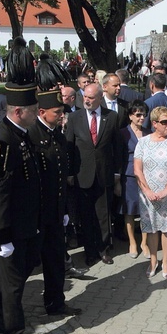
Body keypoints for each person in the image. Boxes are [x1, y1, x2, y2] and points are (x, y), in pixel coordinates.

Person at [0, 65, 44, 334]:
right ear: (19, 111)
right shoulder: (3, 140)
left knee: (11, 274)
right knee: (13, 283)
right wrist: (3, 236)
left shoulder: (21, 133)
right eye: (34, 108)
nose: (38, 112)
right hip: (10, 226)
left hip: (24, 222)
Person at [29, 85, 81, 317]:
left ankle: (55, 303)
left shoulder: (57, 134)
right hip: (37, 213)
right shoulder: (31, 135)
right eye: (57, 111)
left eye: (62, 111)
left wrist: (64, 209)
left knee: (55, 262)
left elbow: (60, 174)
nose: (62, 115)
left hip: (55, 212)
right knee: (24, 266)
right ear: (42, 112)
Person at [65, 83, 123, 267]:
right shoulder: (75, 118)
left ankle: (103, 249)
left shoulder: (111, 117)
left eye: (91, 97)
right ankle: (90, 251)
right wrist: (69, 173)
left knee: (103, 215)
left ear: (100, 98)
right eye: (85, 97)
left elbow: (117, 147)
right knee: (86, 216)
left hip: (103, 175)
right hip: (82, 175)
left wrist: (116, 174)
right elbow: (69, 147)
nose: (87, 100)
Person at [134, 106, 167, 279]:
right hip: (147, 194)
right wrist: (147, 190)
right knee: (151, 228)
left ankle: (165, 261)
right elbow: (137, 169)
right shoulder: (143, 142)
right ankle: (153, 261)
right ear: (155, 123)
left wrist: (166, 190)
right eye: (164, 122)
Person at [120, 100, 150, 258]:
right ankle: (132, 242)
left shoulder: (148, 132)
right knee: (130, 210)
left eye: (144, 115)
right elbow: (118, 157)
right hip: (129, 176)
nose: (142, 118)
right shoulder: (123, 133)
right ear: (130, 116)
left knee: (145, 209)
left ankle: (144, 242)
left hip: (146, 176)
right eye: (138, 115)